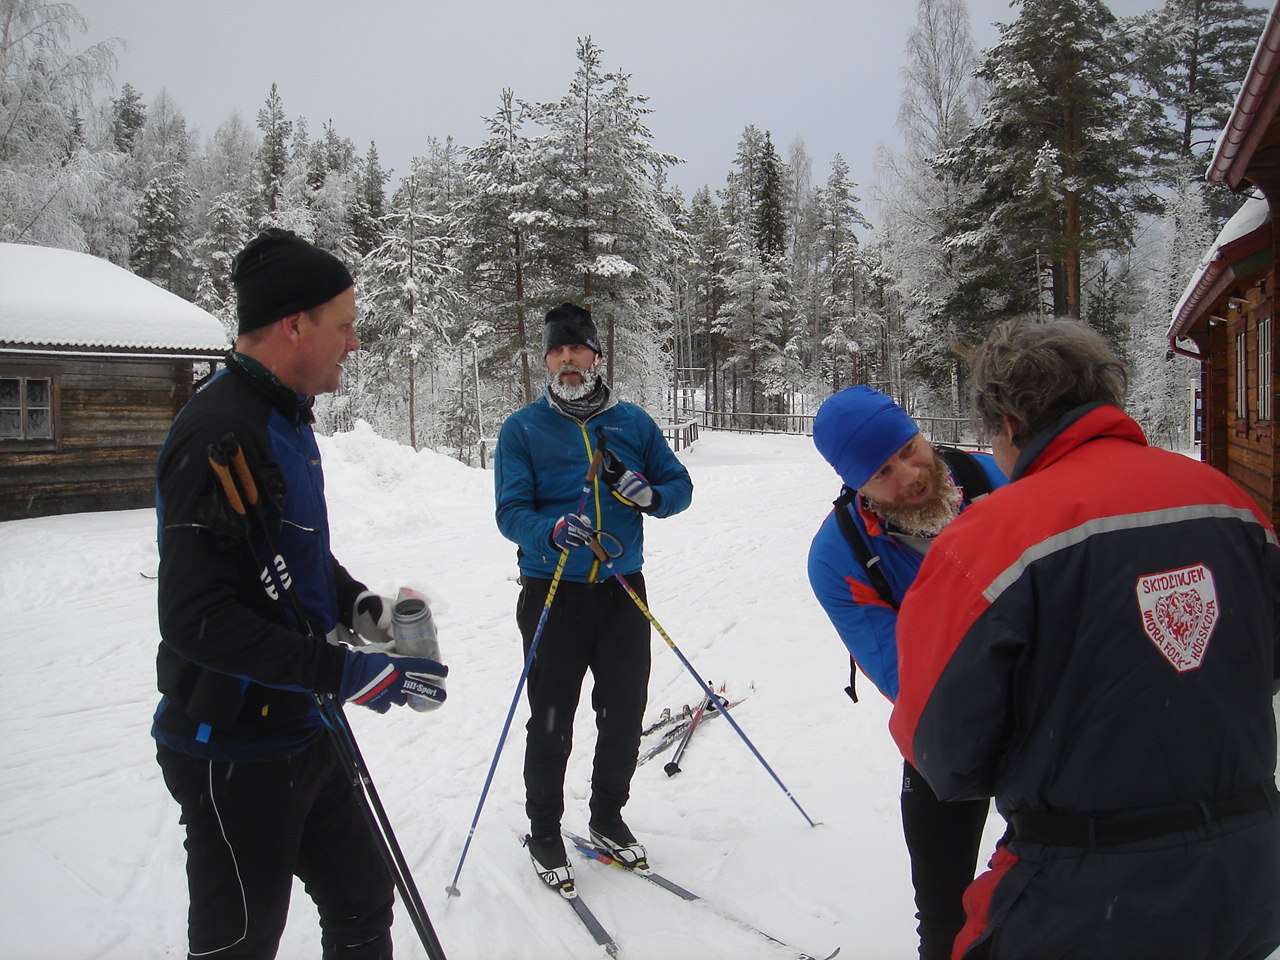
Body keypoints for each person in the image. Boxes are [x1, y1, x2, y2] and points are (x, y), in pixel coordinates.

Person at [889, 319, 1280, 960]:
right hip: (1248, 882)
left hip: (1080, 893)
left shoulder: (988, 540)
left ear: (1010, 424)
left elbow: (943, 752)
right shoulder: (1231, 503)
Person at [153, 228, 448, 960]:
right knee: (240, 943)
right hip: (231, 745)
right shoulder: (218, 429)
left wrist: (358, 610)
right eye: (343, 325)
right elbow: (195, 619)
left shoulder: (284, 414)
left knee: (362, 899)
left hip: (301, 724)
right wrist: (347, 672)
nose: (354, 342)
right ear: (294, 325)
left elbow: (289, 552)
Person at [494, 303, 693, 890]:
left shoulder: (632, 423)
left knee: (624, 711)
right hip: (552, 590)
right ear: (545, 361)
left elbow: (679, 487)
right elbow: (510, 512)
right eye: (556, 350)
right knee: (551, 718)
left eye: (577, 348)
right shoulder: (523, 428)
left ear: (596, 357)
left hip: (622, 589)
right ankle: (544, 829)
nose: (567, 359)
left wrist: (648, 495)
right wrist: (551, 531)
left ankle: (607, 817)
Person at [807, 384, 1006, 960]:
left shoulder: (999, 478)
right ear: (857, 487)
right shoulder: (838, 557)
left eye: (909, 450)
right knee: (943, 911)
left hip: (1059, 708)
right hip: (948, 725)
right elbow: (911, 680)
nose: (912, 475)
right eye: (882, 473)